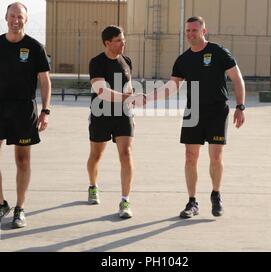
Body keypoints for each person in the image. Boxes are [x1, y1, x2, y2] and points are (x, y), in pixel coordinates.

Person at [147, 16, 245, 218]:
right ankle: (192, 202)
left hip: (217, 110)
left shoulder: (218, 52)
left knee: (216, 158)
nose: (191, 34)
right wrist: (147, 98)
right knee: (190, 157)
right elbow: (172, 86)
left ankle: (216, 194)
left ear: (204, 31)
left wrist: (240, 106)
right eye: (188, 31)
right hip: (193, 111)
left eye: (194, 30)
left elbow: (237, 78)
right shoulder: (183, 59)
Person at [0, 2, 51, 229]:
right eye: (12, 16)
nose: (15, 20)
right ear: (5, 17)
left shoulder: (35, 47)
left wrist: (45, 111)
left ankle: (20, 208)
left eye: (20, 16)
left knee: (22, 160)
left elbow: (45, 80)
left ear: (26, 20)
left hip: (23, 108)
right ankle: (0, 204)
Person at [87, 25, 144, 219]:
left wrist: (131, 103)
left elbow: (128, 88)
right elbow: (101, 90)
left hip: (123, 115)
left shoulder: (126, 61)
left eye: (123, 39)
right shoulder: (96, 62)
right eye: (119, 40)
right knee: (96, 155)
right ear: (107, 43)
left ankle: (125, 200)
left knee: (126, 154)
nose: (123, 43)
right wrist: (128, 98)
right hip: (100, 114)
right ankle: (93, 186)